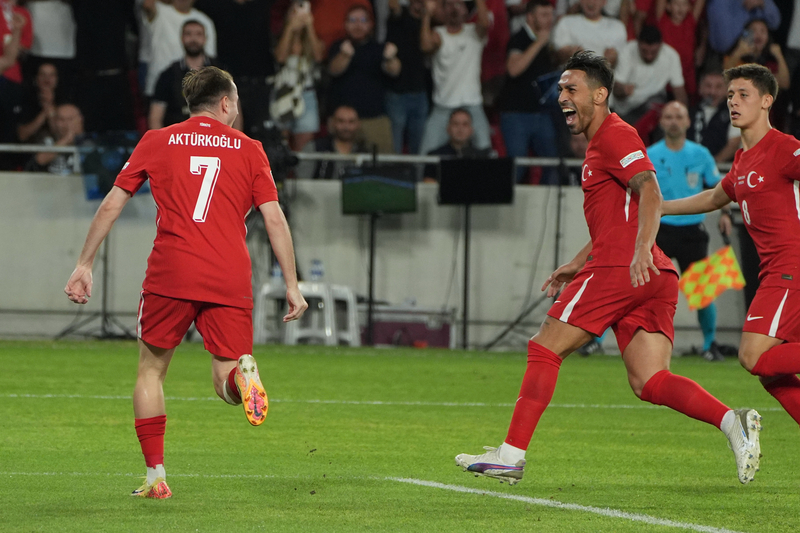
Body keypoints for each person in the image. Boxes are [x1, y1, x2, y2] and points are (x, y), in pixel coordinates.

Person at [454, 51, 762, 487]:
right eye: (561, 88)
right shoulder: (603, 143)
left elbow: (650, 191)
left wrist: (637, 250)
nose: (562, 96)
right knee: (650, 381)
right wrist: (577, 262)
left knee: (545, 346)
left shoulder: (615, 135)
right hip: (650, 274)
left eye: (570, 88)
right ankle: (733, 422)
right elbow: (619, 213)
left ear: (600, 94)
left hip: (624, 266)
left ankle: (511, 454)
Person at [64, 66, 308, 499]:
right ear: (227, 103)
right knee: (223, 380)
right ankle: (242, 377)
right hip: (229, 275)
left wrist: (84, 263)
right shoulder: (250, 149)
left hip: (171, 272)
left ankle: (156, 476)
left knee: (151, 372)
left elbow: (111, 204)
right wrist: (292, 283)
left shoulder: (157, 140)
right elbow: (274, 217)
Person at [663, 63, 800, 439]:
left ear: (767, 101)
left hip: (790, 270)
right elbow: (713, 197)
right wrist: (659, 206)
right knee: (771, 374)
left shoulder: (783, 148)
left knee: (751, 356)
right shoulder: (742, 161)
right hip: (775, 272)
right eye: (729, 96)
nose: (733, 102)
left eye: (744, 95)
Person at [647, 101, 732, 362]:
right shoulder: (649, 153)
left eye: (679, 116)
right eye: (669, 116)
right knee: (641, 290)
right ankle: (601, 341)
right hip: (658, 231)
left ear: (687, 122)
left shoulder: (701, 154)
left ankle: (709, 343)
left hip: (693, 230)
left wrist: (726, 214)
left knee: (703, 292)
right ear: (662, 122)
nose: (673, 121)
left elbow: (719, 188)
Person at [496, 0, 560, 185]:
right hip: (517, 114)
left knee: (553, 163)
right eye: (544, 15)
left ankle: (544, 208)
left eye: (550, 15)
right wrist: (539, 43)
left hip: (541, 112)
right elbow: (513, 68)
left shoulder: (546, 40)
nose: (549, 20)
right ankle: (508, 208)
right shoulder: (520, 38)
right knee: (517, 167)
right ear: (530, 17)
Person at [419, 0, 492, 155]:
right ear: (443, 10)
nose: (454, 8)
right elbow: (425, 46)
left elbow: (485, 24)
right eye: (449, 4)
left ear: (466, 10)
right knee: (425, 157)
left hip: (472, 104)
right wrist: (427, 15)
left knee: (486, 154)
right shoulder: (438, 34)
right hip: (443, 105)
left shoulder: (474, 32)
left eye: (459, 4)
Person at [327, 4, 400, 154]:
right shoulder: (338, 46)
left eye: (363, 20)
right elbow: (334, 70)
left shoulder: (379, 48)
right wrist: (345, 54)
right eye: (353, 20)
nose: (358, 25)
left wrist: (391, 57)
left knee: (383, 167)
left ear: (370, 24)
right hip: (342, 121)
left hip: (374, 120)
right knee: (337, 167)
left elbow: (395, 70)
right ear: (346, 24)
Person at [273, 0, 325, 151]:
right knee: (281, 143)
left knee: (305, 146)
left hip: (306, 94)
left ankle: (302, 174)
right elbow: (280, 58)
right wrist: (290, 28)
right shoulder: (278, 38)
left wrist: (309, 26)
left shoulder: (314, 39)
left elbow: (318, 56)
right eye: (294, 11)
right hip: (283, 93)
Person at [149, 20, 220, 130]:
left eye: (198, 34)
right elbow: (155, 118)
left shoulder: (220, 72)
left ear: (205, 39)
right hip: (178, 139)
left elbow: (235, 110)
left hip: (212, 139)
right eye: (188, 34)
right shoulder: (168, 75)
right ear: (181, 38)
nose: (193, 39)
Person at [613, 25, 687, 127]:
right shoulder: (628, 51)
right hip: (625, 109)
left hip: (652, 105)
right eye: (644, 51)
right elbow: (616, 89)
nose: (649, 56)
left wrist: (682, 116)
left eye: (653, 52)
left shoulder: (671, 56)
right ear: (638, 43)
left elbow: (679, 91)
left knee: (662, 110)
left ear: (661, 45)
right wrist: (623, 91)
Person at [141, 0, 216, 98]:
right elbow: (147, 4)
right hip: (158, 88)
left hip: (195, 92)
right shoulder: (160, 11)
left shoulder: (205, 21)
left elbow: (209, 60)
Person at [385, 0, 429, 155]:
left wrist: (427, 15)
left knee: (418, 148)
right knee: (394, 148)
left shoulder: (430, 23)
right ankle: (393, 178)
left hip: (420, 92)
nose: (420, 4)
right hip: (397, 93)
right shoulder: (399, 14)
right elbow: (393, 5)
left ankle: (417, 178)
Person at [296, 105, 369, 180]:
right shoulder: (314, 147)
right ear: (332, 123)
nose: (346, 127)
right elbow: (302, 182)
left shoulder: (365, 152)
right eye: (341, 121)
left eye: (351, 122)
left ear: (358, 124)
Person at [551, 0, 627, 68]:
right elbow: (557, 56)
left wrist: (614, 59)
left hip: (605, 80)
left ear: (604, 2)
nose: (591, 2)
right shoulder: (565, 22)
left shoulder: (617, 27)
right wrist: (569, 53)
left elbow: (623, 59)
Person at [423, 108, 491, 182]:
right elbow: (428, 184)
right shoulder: (435, 155)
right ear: (448, 129)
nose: (460, 129)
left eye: (465, 124)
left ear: (471, 130)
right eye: (455, 124)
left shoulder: (482, 157)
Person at [655, 0, 706, 98]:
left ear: (689, 8)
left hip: (687, 76)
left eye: (684, 4)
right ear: (668, 6)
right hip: (666, 78)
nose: (680, 8)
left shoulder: (690, 21)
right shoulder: (663, 21)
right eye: (676, 4)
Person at [688, 71, 741, 163]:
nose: (712, 92)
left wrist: (711, 166)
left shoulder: (735, 112)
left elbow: (733, 145)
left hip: (722, 170)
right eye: (708, 86)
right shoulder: (690, 112)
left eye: (718, 87)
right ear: (700, 88)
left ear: (727, 90)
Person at [26, 102, 83, 174]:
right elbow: (39, 160)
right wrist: (67, 140)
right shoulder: (46, 139)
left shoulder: (91, 141)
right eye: (61, 120)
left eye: (70, 119)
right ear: (55, 122)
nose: (65, 124)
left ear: (80, 120)